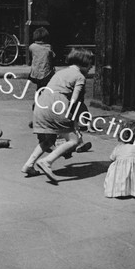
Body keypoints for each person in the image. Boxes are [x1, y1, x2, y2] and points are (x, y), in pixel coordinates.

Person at [30, 47, 94, 183]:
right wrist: (73, 123)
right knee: (74, 140)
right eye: (90, 63)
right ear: (84, 62)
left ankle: (29, 165)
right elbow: (74, 101)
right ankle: (47, 161)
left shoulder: (61, 72)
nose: (91, 67)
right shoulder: (80, 77)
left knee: (48, 140)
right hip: (58, 105)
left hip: (41, 103)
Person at [28, 27, 55, 128]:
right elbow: (53, 58)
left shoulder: (32, 47)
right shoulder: (49, 47)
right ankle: (44, 118)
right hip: (47, 75)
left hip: (36, 74)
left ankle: (36, 117)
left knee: (39, 92)